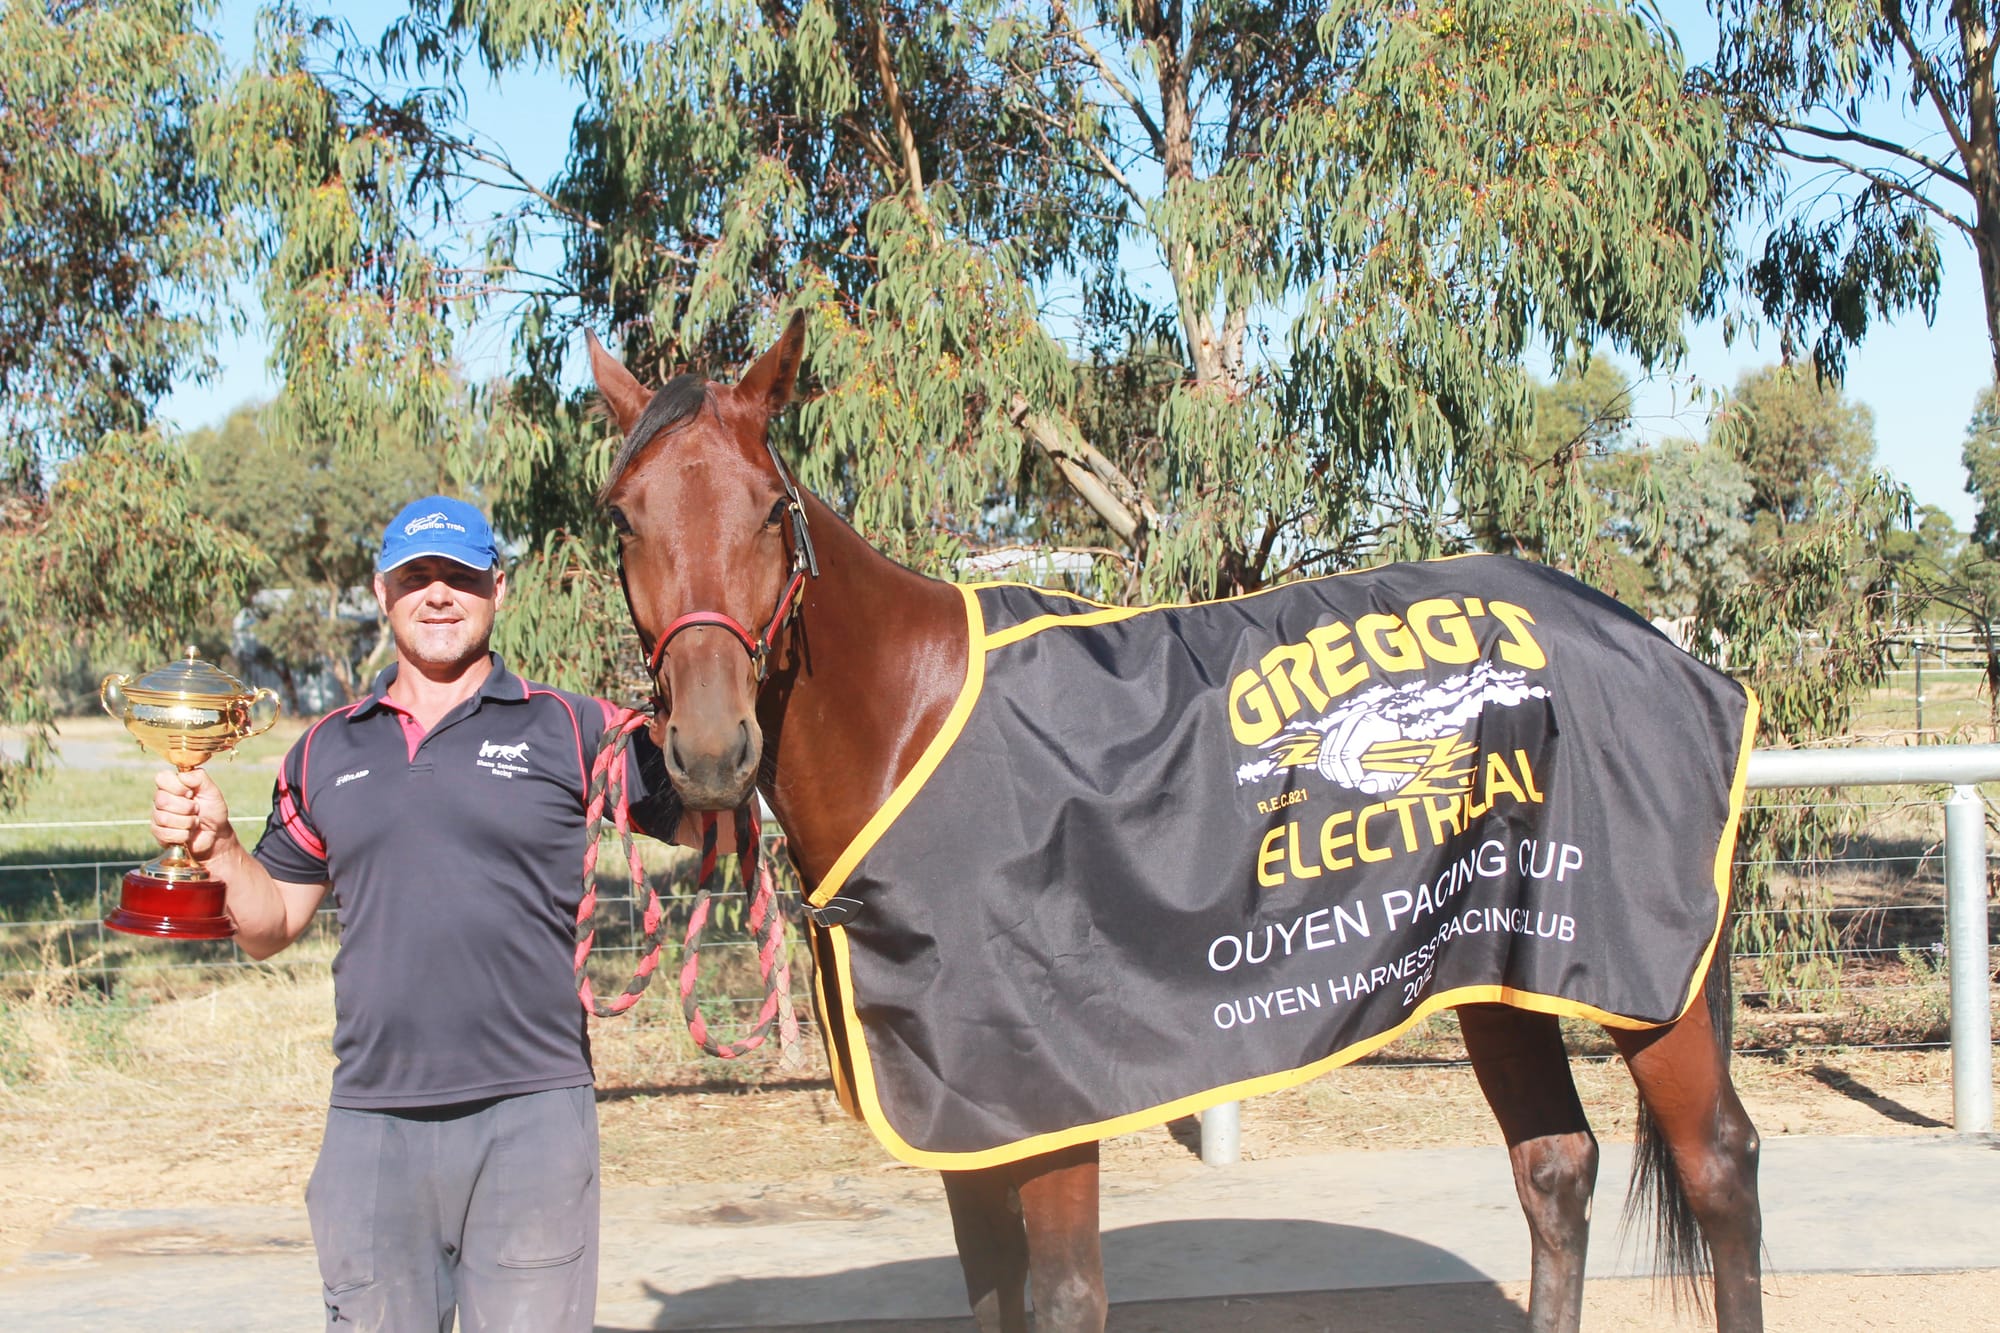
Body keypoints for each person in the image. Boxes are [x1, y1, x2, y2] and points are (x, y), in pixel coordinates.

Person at [148, 494, 676, 1332]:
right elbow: (270, 924)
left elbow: (703, 789)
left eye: (461, 575)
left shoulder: (572, 725)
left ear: (498, 589)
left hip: (531, 1117)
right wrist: (215, 848)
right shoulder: (325, 748)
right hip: (372, 1124)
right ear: (382, 590)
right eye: (417, 577)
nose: (439, 594)